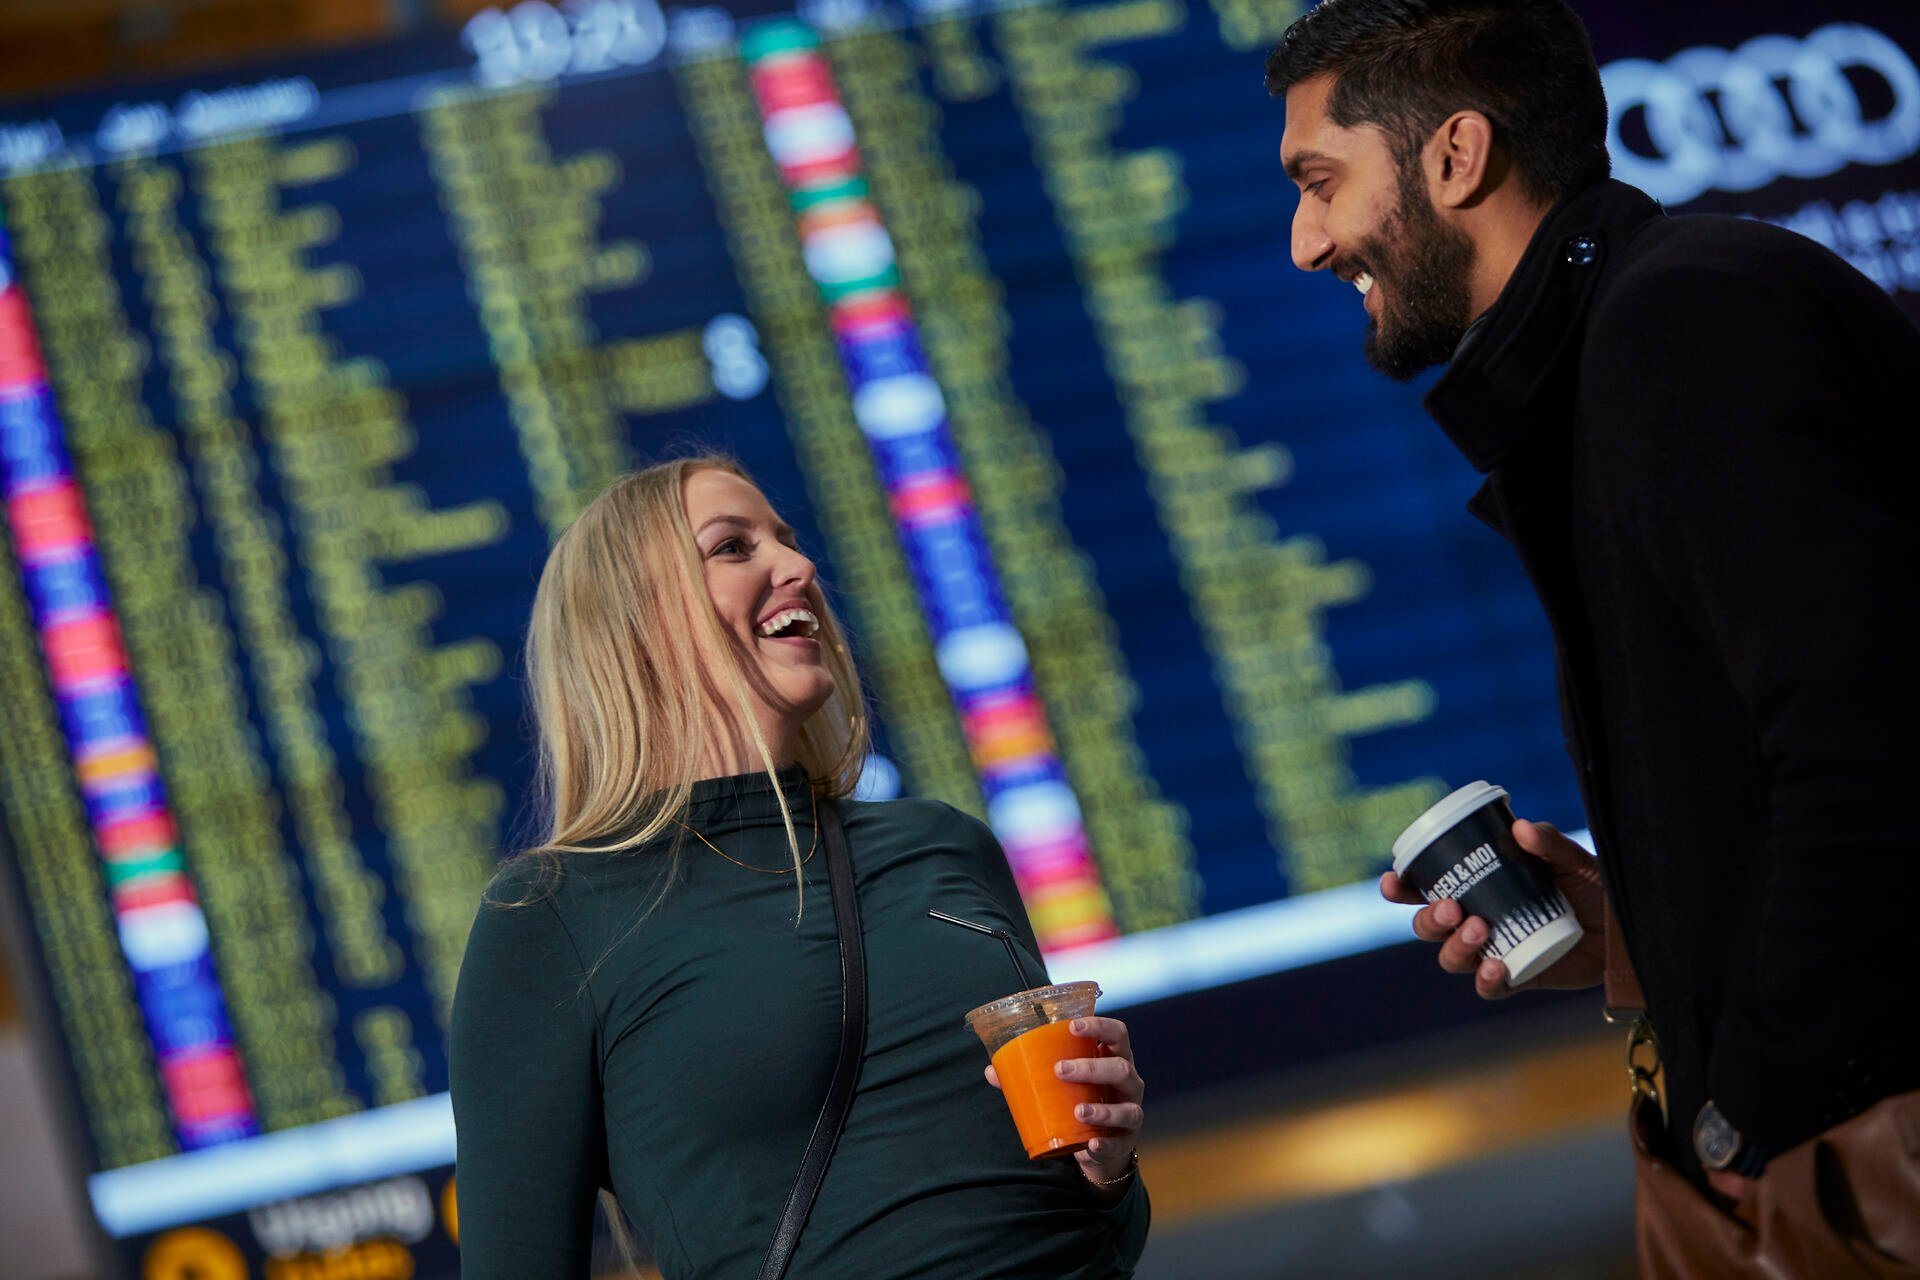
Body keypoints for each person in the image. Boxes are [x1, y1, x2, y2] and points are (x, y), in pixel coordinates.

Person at [1266, 0, 1919, 1245]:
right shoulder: (1619, 359)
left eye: (1319, 182)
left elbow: (1873, 759)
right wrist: (1636, 926)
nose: (1306, 242)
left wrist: (1745, 1116)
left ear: (1456, 155)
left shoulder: (1687, 322)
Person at [449, 457, 1149, 1279]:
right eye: (733, 548)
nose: (799, 566)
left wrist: (1110, 1172)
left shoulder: (942, 844)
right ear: (636, 624)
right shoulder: (555, 914)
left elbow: (1100, 1231)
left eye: (785, 538)